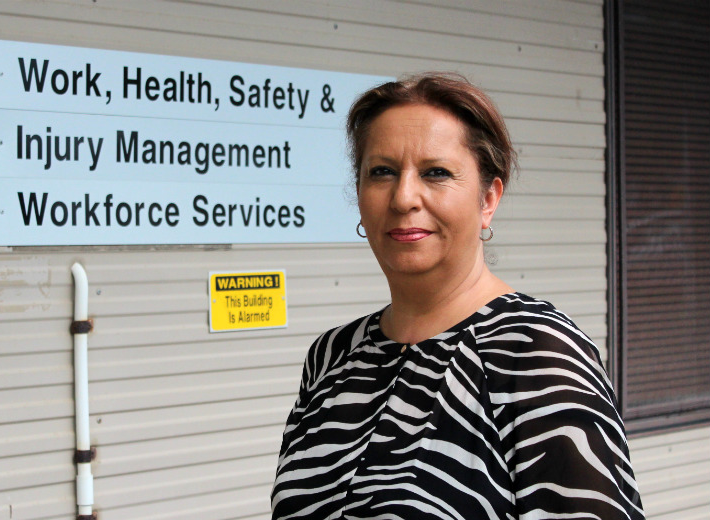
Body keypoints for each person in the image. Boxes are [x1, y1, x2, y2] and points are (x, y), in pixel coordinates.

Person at [271, 73, 644, 520]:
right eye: (382, 172)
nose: (404, 196)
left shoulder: (537, 353)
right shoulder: (331, 358)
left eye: (436, 173)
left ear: (488, 198)